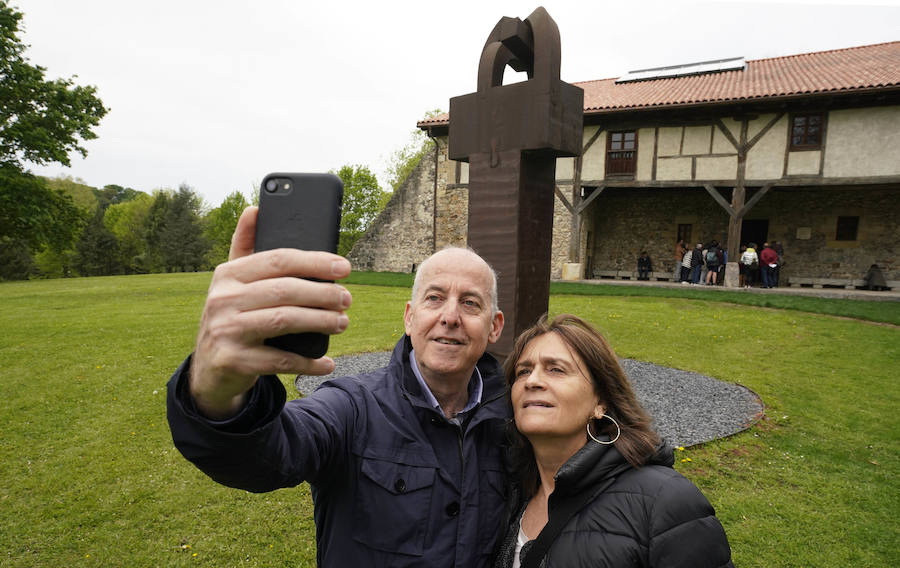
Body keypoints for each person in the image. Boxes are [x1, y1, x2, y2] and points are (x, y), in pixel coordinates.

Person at [167, 206, 509, 567]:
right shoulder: (351, 408)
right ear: (410, 317)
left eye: (470, 303)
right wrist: (218, 392)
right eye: (434, 298)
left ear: (494, 326)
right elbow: (269, 453)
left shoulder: (515, 422)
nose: (450, 317)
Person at [493, 314, 733, 568]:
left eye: (556, 369)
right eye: (523, 371)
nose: (532, 381)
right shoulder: (506, 490)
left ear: (600, 402)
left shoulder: (665, 501)